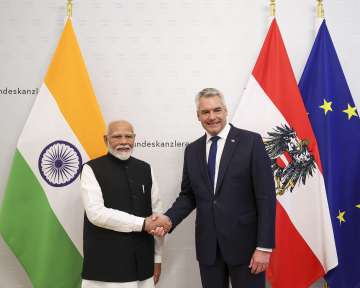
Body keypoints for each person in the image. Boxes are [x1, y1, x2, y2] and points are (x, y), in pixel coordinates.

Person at [153, 88, 276, 288]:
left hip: (246, 248)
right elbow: (189, 196)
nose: (212, 117)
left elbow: (266, 197)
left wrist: (264, 247)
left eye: (217, 110)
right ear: (198, 116)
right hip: (208, 248)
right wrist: (169, 219)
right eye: (205, 112)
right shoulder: (192, 150)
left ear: (226, 111)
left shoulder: (251, 142)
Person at [80, 120, 164, 288]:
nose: (124, 142)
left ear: (134, 139)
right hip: (106, 268)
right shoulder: (91, 169)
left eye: (128, 136)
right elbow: (96, 214)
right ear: (106, 140)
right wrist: (142, 223)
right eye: (117, 137)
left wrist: (157, 258)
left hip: (143, 265)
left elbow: (157, 215)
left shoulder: (145, 169)